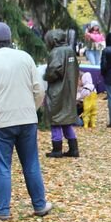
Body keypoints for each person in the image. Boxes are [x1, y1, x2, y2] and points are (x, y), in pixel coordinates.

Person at [0, 22, 52, 219]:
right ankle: (40, 204)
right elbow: (39, 89)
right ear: (10, 38)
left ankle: (2, 210)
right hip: (26, 119)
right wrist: (30, 110)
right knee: (31, 162)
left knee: (2, 166)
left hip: (0, 122)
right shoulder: (25, 57)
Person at [43, 28, 81, 158]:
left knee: (56, 121)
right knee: (66, 121)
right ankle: (74, 149)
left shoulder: (56, 52)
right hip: (69, 90)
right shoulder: (70, 50)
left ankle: (57, 150)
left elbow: (54, 71)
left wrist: (46, 76)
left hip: (57, 91)